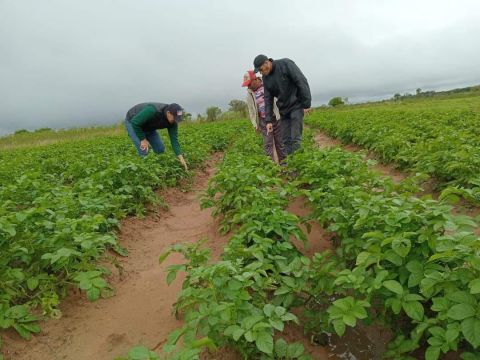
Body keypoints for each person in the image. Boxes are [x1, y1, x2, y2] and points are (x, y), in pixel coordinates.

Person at [253, 54, 311, 156]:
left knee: (295, 139)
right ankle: (291, 165)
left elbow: (301, 81)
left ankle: (298, 165)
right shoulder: (266, 78)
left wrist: (306, 104)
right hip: (284, 110)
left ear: (267, 63)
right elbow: (267, 99)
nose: (261, 73)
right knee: (285, 140)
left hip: (296, 105)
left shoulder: (286, 64)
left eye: (261, 70)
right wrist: (268, 120)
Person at [124, 102, 188, 170]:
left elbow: (174, 140)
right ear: (168, 113)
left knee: (160, 149)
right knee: (144, 150)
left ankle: (157, 168)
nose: (175, 121)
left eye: (177, 119)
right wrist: (143, 139)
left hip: (149, 125)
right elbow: (135, 123)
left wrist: (180, 156)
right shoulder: (152, 110)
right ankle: (146, 171)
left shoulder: (173, 123)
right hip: (133, 122)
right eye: (174, 118)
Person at [242, 70, 284, 163]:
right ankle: (271, 167)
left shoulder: (268, 84)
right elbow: (251, 111)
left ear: (255, 79)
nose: (248, 87)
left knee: (280, 142)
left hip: (275, 118)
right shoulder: (249, 94)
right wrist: (255, 124)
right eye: (247, 85)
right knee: (268, 144)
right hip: (263, 121)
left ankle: (284, 164)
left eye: (249, 84)